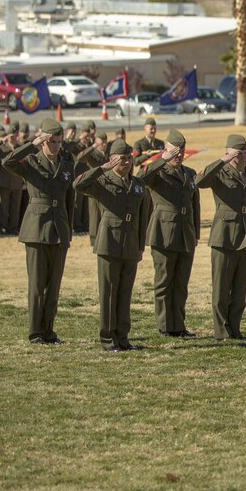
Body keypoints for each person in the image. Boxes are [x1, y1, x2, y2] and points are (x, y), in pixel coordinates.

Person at [1, 118, 75, 345]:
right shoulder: (32, 161)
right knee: (37, 285)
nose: (56, 146)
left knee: (53, 286)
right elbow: (8, 161)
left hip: (59, 227)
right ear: (43, 140)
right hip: (36, 228)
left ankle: (49, 332)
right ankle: (35, 332)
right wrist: (32, 144)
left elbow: (69, 199)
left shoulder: (65, 164)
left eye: (59, 142)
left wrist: (68, 231)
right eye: (51, 142)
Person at [74, 139, 151, 352]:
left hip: (130, 243)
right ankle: (108, 339)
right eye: (121, 159)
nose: (126, 163)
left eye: (128, 158)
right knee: (108, 292)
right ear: (111, 159)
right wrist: (102, 168)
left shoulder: (137, 184)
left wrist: (141, 246)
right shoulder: (102, 180)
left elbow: (143, 215)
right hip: (109, 242)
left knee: (125, 292)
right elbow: (78, 184)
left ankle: (123, 337)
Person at [197, 134, 246, 340]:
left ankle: (235, 327)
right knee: (221, 287)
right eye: (235, 154)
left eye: (243, 153)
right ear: (227, 153)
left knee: (240, 289)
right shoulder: (220, 173)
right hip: (224, 236)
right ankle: (221, 330)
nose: (240, 157)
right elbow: (200, 181)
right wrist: (222, 161)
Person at [139, 129, 201, 338]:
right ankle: (165, 325)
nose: (178, 156)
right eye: (174, 152)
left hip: (185, 232)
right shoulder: (157, 172)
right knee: (164, 280)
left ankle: (179, 325)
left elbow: (195, 204)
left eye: (180, 152)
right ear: (166, 151)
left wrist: (196, 233)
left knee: (181, 282)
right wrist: (161, 159)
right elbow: (141, 178)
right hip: (164, 232)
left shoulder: (190, 173)